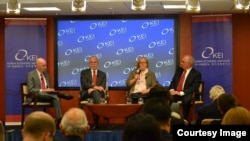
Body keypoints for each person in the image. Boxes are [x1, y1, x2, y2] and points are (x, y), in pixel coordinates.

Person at [27, 57, 62, 124]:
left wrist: (51, 89)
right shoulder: (31, 74)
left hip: (47, 96)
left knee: (56, 99)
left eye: (45, 65)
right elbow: (31, 89)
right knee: (55, 97)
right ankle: (60, 96)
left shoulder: (46, 74)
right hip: (36, 96)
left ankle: (59, 120)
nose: (45, 67)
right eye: (44, 65)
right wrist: (43, 90)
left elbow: (49, 87)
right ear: (38, 65)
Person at [169, 55, 202, 120]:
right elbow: (173, 81)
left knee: (186, 99)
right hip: (176, 92)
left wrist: (181, 93)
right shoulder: (179, 70)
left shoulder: (196, 74)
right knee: (169, 97)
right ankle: (171, 117)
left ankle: (184, 119)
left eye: (183, 62)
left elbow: (194, 87)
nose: (181, 63)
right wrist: (172, 90)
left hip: (188, 93)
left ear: (188, 64)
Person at [80, 56, 106, 129]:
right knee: (95, 92)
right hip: (87, 94)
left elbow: (103, 86)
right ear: (89, 63)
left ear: (98, 63)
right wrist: (95, 87)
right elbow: (84, 84)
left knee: (95, 93)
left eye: (95, 62)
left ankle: (96, 122)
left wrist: (92, 88)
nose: (93, 64)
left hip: (99, 94)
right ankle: (97, 119)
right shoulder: (84, 73)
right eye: (91, 62)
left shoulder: (103, 74)